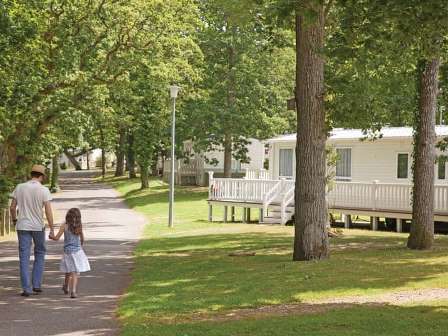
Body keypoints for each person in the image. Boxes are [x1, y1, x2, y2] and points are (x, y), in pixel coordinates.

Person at [10, 164, 54, 297]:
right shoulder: (44, 190)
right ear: (41, 176)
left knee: (24, 257)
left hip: (22, 226)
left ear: (31, 175)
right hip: (37, 227)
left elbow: (12, 208)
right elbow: (48, 210)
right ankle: (36, 285)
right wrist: (52, 228)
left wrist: (14, 221)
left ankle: (26, 289)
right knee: (40, 253)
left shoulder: (20, 187)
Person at [50, 208, 90, 298]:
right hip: (77, 252)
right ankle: (73, 291)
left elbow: (56, 238)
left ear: (68, 216)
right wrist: (81, 246)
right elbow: (82, 238)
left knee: (68, 270)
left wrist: (51, 236)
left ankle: (65, 286)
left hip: (67, 252)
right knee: (74, 272)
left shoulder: (64, 226)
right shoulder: (79, 226)